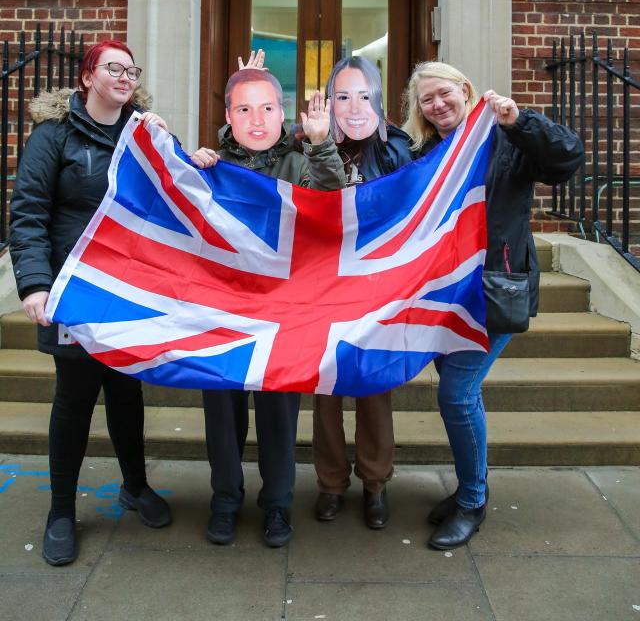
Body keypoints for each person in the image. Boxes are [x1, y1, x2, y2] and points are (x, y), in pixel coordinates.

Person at [402, 60, 583, 550]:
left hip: (494, 287)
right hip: (443, 293)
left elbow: (567, 159)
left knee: (457, 393)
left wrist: (519, 121)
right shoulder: (424, 153)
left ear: (465, 89)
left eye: (444, 93)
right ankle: (469, 485)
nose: (438, 105)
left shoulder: (506, 138)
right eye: (427, 100)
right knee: (460, 392)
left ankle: (473, 500)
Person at [9, 40, 172, 567]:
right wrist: (34, 284)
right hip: (72, 289)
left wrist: (196, 157)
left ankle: (134, 486)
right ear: (87, 77)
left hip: (128, 289)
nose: (125, 76)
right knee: (75, 398)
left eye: (131, 69)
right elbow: (28, 211)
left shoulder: (144, 132)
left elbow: (176, 197)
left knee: (128, 392)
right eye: (113, 68)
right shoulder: (53, 135)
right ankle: (60, 512)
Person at [191, 67, 344, 548]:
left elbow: (336, 203)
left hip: (284, 313)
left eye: (267, 108)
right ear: (228, 116)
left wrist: (320, 145)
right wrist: (183, 165)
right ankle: (225, 498)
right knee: (222, 410)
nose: (257, 120)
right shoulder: (208, 165)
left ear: (283, 113)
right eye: (244, 109)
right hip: (222, 312)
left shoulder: (302, 164)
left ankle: (278, 504)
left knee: (279, 413)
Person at [312, 55, 413, 530]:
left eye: (364, 96)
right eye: (342, 96)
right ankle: (331, 483)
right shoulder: (308, 144)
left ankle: (376, 483)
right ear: (329, 102)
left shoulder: (397, 149)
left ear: (378, 99)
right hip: (322, 287)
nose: (353, 106)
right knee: (326, 392)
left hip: (376, 290)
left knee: (374, 389)